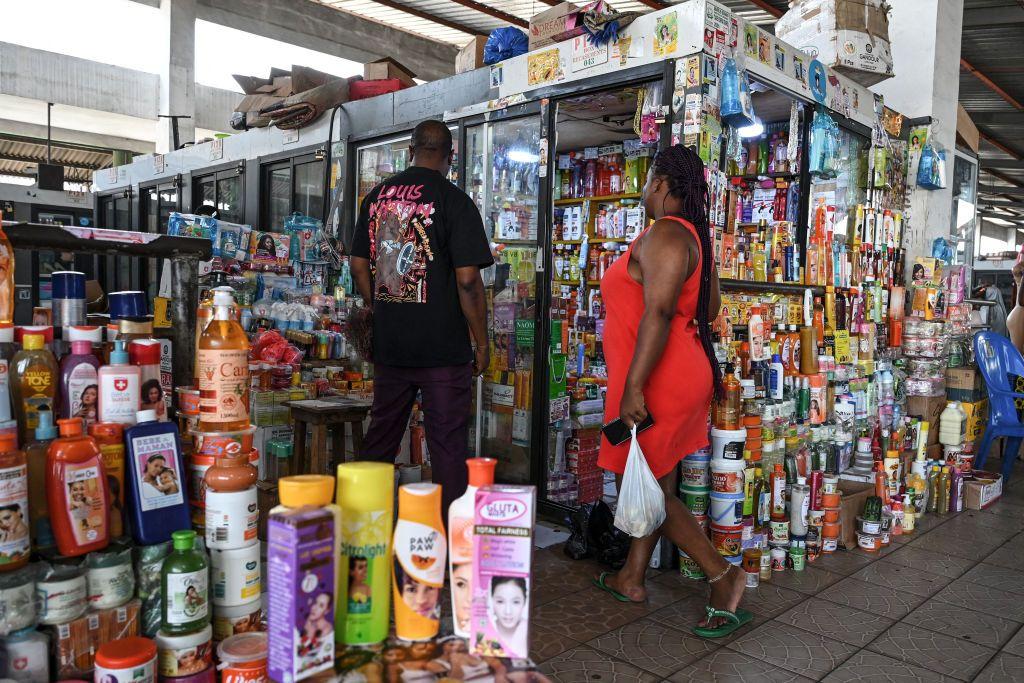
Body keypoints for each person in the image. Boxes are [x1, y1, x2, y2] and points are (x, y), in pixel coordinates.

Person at [592, 144, 749, 639]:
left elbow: (658, 313)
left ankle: (724, 578)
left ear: (661, 185)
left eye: (647, 180)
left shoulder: (664, 234)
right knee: (654, 478)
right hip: (682, 372)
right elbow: (705, 309)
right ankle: (632, 577)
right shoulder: (693, 239)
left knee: (646, 488)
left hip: (658, 378)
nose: (642, 189)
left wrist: (634, 385)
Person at [351, 120, 493, 515]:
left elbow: (359, 265)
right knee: (447, 446)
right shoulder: (455, 201)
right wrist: (482, 342)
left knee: (381, 437)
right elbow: (468, 281)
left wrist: (380, 307)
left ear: (410, 150)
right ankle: (449, 543)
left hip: (391, 344)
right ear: (449, 156)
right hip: (444, 349)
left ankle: (365, 530)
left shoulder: (376, 198)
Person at [489, 576, 528, 654]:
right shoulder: (482, 630)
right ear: (492, 600)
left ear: (524, 601)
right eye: (500, 601)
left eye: (516, 602)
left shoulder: (532, 631)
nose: (508, 611)